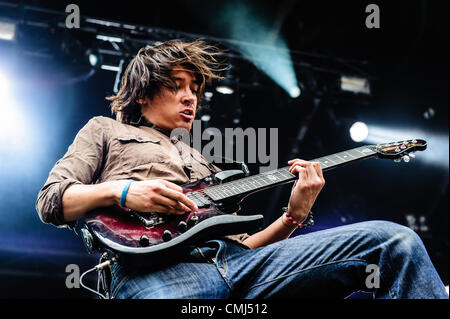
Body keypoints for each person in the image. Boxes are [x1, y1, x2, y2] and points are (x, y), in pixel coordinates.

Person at [36, 39, 448, 299]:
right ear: (142, 93)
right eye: (176, 85)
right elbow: (51, 200)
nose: (190, 98)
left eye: (195, 90)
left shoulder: (204, 163)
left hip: (242, 267)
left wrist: (293, 216)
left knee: (394, 242)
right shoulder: (105, 129)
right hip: (157, 276)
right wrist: (122, 192)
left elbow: (244, 247)